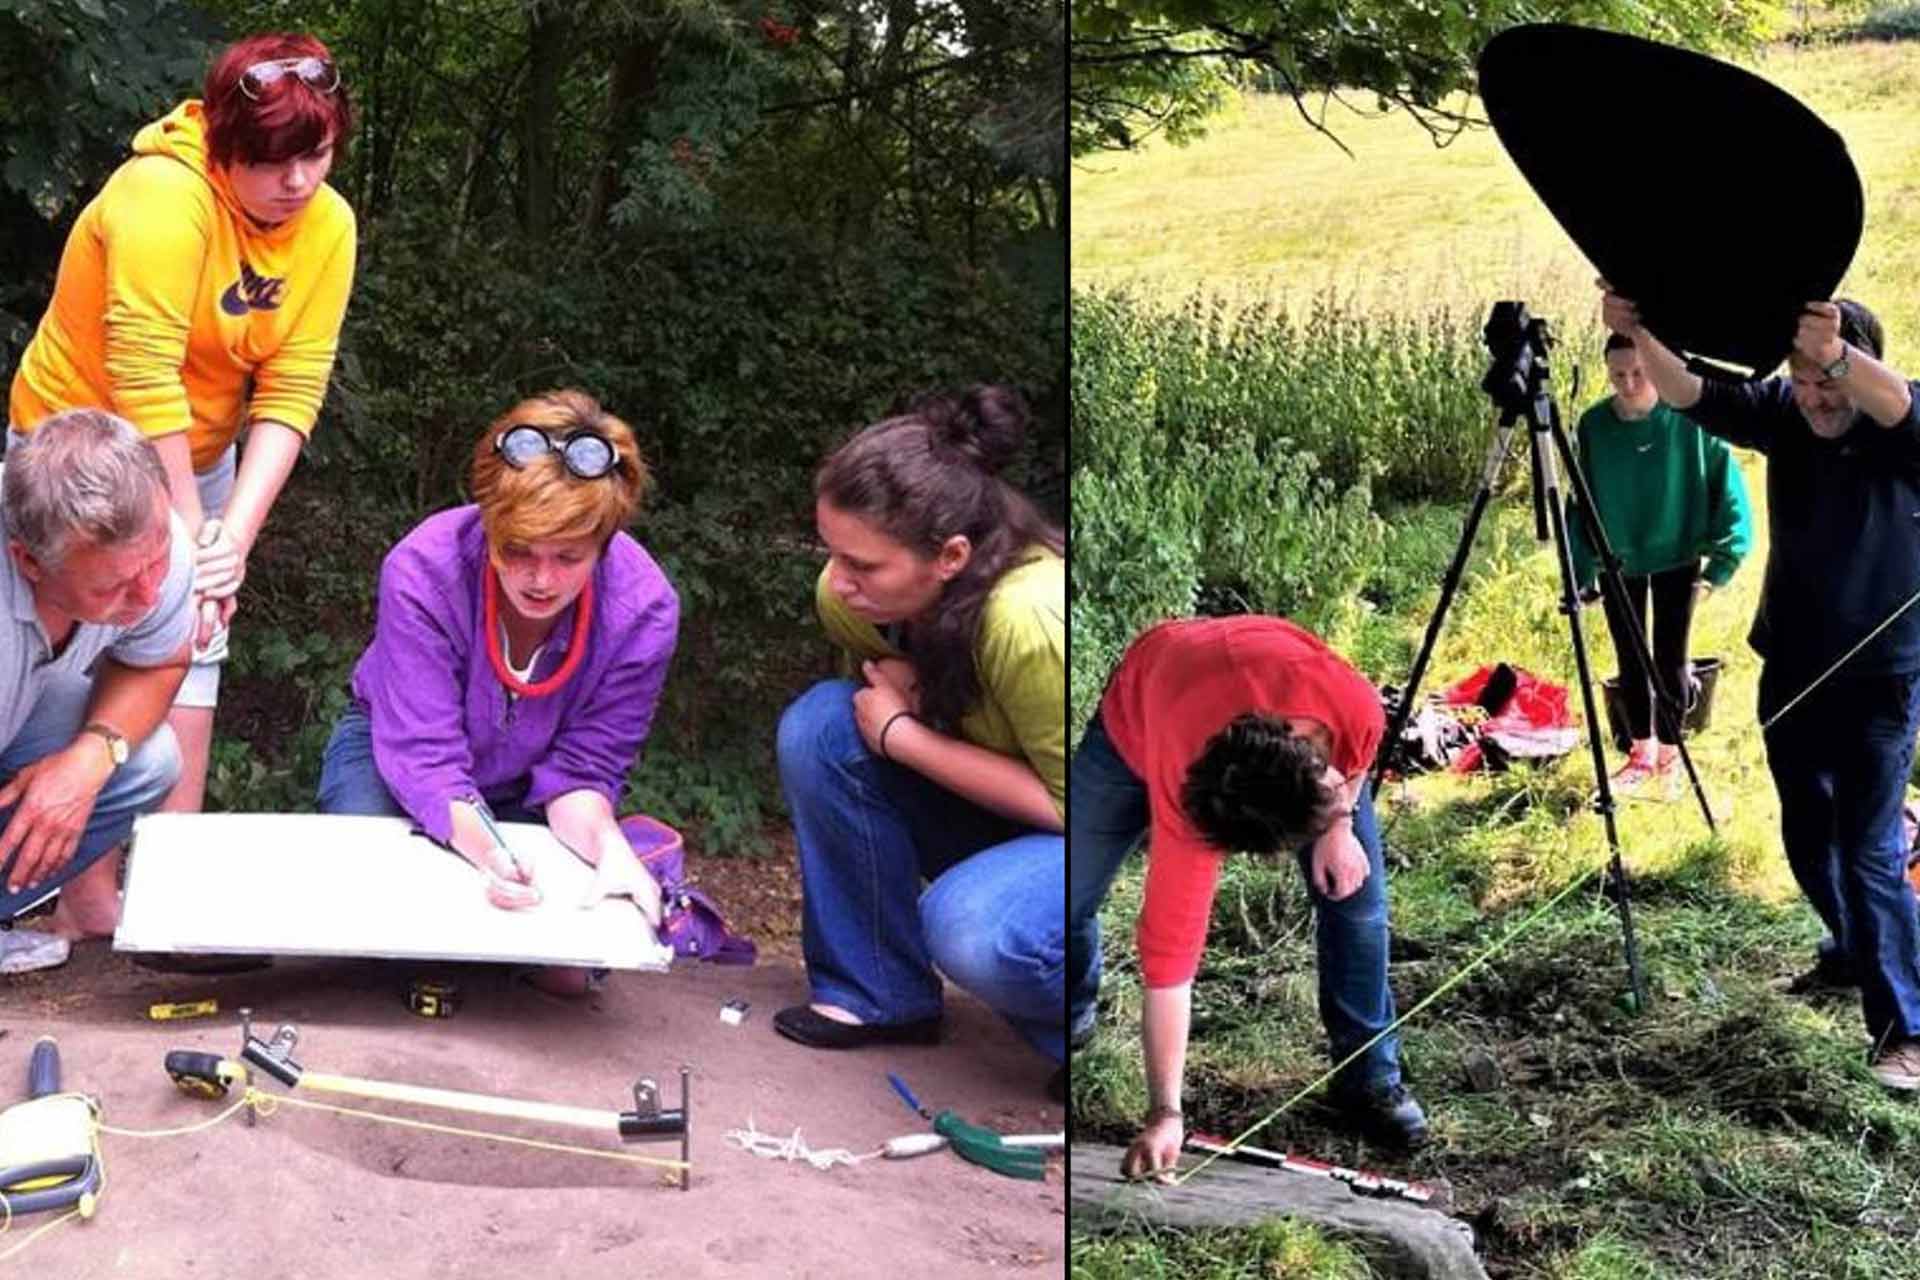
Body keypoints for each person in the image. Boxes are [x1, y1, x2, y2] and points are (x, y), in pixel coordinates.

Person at [9, 31, 358, 817]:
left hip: (195, 455)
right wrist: (183, 542)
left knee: (193, 641)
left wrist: (225, 543)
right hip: (75, 458)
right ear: (224, 145)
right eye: (273, 162)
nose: (300, 181)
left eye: (320, 155)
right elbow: (143, 372)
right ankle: (76, 901)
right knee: (81, 650)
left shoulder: (329, 224)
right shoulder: (163, 194)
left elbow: (294, 384)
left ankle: (174, 901)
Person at [1600, 281, 1920, 1091]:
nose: (1813, 399)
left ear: (1860, 368)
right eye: (1803, 381)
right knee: (1808, 834)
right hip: (1792, 664)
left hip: (1882, 678)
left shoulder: (1897, 426)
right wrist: (1641, 330)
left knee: (1870, 850)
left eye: (1827, 384)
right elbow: (1690, 391)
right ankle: (1851, 948)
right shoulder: (1785, 411)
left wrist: (1839, 359)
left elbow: (1897, 403)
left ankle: (1905, 1029)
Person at [317, 390, 679, 992]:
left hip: (531, 785)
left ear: (606, 540)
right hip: (394, 761)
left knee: (570, 976)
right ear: (488, 526)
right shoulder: (422, 568)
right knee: (386, 921)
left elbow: (583, 772)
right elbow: (423, 755)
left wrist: (609, 848)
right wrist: (492, 855)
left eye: (568, 557)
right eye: (516, 551)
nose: (541, 579)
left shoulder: (645, 609)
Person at [771, 386, 1066, 1099]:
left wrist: (905, 736)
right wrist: (910, 681)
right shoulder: (852, 598)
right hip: (1003, 809)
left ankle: (1088, 1034)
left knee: (971, 925)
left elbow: (1079, 809)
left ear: (952, 555)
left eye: (864, 567)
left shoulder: (1035, 618)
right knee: (824, 725)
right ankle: (877, 992)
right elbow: (886, 693)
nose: (839, 583)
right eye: (833, 554)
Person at [1067, 615, 1429, 1181]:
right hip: (1134, 724)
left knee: (1358, 906)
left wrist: (1339, 830)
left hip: (1258, 704)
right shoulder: (1192, 792)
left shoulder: (1355, 708)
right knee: (1068, 889)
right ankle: (1070, 1007)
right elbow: (1169, 963)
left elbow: (1355, 766)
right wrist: (1166, 1112)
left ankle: (1369, 1081)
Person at [1, 410, 192, 972]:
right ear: (30, 562)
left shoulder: (150, 537)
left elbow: (158, 662)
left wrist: (91, 757)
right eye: (113, 586)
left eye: (155, 563)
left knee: (148, 760)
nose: (151, 593)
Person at [1567, 332, 1752, 794]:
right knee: (1629, 656)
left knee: (1671, 657)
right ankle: (1640, 750)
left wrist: (1721, 564)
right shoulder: (1593, 426)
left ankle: (1672, 753)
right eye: (1618, 376)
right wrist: (1582, 570)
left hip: (1678, 553)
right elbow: (1580, 501)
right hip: (1618, 558)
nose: (1629, 384)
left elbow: (1727, 487)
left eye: (1639, 373)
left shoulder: (1688, 420)